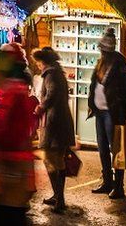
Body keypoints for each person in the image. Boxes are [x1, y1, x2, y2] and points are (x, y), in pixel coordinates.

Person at [0, 48, 35, 225]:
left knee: (6, 218)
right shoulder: (16, 90)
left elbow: (3, 131)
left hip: (10, 171)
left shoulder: (11, 92)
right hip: (15, 170)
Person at [87, 30, 126, 198]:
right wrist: (91, 104)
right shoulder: (101, 63)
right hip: (100, 111)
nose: (100, 51)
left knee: (116, 149)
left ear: (107, 50)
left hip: (113, 112)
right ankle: (107, 181)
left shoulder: (120, 64)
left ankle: (119, 186)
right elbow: (94, 84)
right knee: (102, 149)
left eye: (102, 49)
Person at [31, 47, 75, 213]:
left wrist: (40, 107)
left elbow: (51, 94)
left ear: (44, 62)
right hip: (59, 122)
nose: (39, 66)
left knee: (53, 160)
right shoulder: (57, 72)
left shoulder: (51, 74)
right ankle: (57, 195)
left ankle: (60, 198)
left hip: (55, 124)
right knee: (54, 160)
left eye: (39, 63)